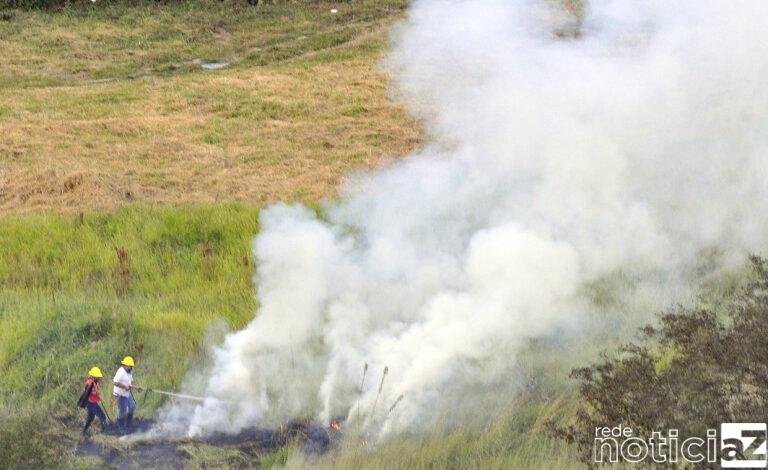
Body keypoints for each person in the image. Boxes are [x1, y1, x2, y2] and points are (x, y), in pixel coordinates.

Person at [113, 356, 142, 433]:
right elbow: (115, 382)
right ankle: (121, 427)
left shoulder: (129, 372)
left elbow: (131, 382)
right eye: (130, 366)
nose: (131, 367)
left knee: (132, 406)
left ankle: (128, 424)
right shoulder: (121, 372)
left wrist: (137, 387)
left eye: (131, 366)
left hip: (127, 394)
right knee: (122, 411)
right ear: (126, 365)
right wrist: (124, 386)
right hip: (119, 394)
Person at [81, 367, 107, 436]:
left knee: (90, 418)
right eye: (98, 376)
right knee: (102, 417)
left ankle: (83, 432)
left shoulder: (94, 382)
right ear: (94, 376)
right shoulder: (90, 383)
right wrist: (95, 393)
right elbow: (88, 392)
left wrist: (99, 397)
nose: (99, 378)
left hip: (92, 402)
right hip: (91, 403)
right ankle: (105, 433)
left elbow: (95, 392)